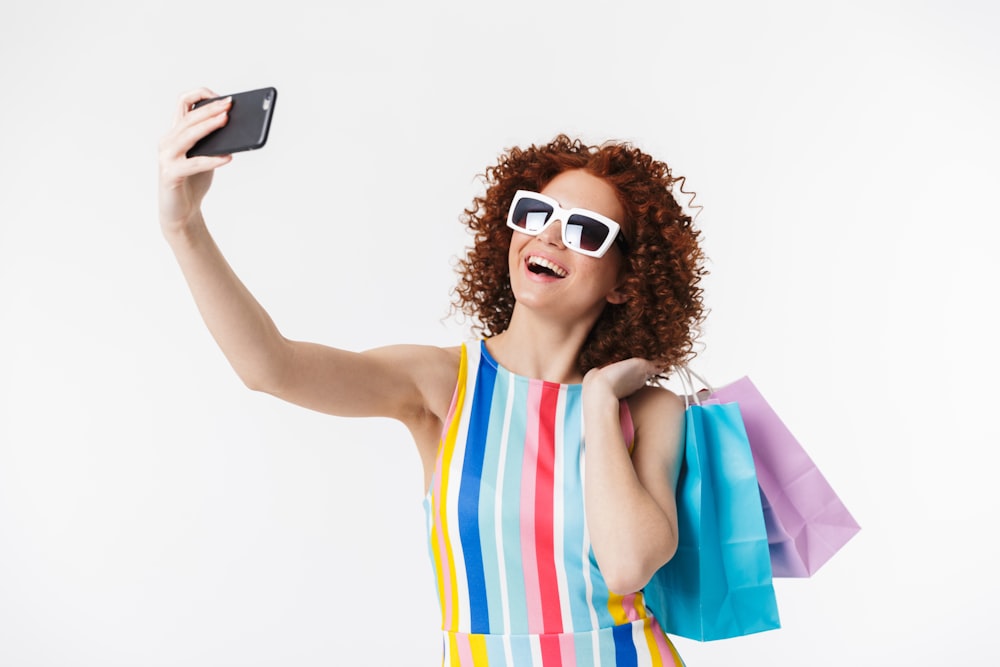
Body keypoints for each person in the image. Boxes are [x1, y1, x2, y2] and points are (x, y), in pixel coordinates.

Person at [158, 87, 706, 666]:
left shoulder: (645, 413)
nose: (548, 236)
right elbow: (269, 367)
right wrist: (185, 227)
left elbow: (626, 566)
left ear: (628, 281)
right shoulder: (443, 383)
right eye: (537, 213)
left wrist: (597, 401)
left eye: (585, 231)